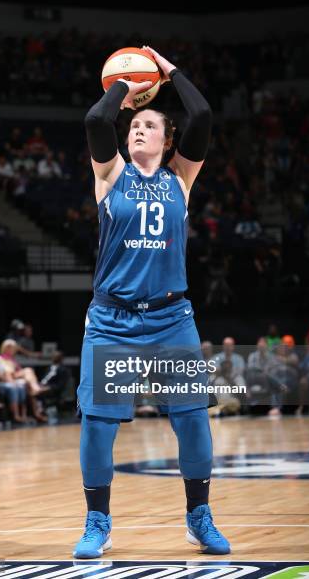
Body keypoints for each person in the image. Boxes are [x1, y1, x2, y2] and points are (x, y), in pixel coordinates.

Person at [73, 46, 230, 558]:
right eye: (134, 125)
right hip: (112, 321)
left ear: (168, 140)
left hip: (170, 319)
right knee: (98, 424)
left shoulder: (181, 179)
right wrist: (127, 87)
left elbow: (202, 113)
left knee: (193, 420)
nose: (138, 129)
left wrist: (168, 71)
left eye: (150, 125)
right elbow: (99, 116)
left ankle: (198, 517)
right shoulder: (110, 175)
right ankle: (98, 521)